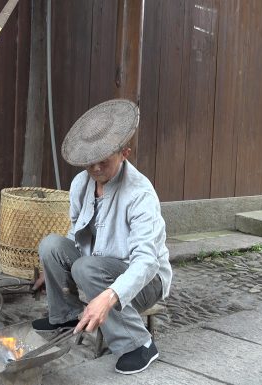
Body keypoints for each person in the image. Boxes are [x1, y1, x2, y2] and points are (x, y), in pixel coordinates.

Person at [31, 99, 172, 375]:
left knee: (86, 267)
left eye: (103, 161)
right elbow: (76, 232)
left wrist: (107, 298)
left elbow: (146, 261)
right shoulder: (81, 183)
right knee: (51, 244)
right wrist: (54, 270)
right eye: (89, 163)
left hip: (145, 280)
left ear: (124, 153)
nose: (95, 168)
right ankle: (66, 315)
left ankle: (138, 344)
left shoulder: (139, 194)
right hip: (97, 265)